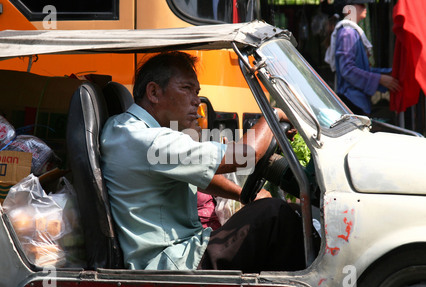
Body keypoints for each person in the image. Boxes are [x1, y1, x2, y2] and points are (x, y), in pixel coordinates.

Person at [100, 51, 307, 272]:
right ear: (153, 92)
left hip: (172, 255)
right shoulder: (151, 141)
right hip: (172, 264)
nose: (196, 101)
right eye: (186, 89)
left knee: (278, 212)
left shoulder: (123, 126)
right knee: (275, 215)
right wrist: (273, 115)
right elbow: (246, 154)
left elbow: (201, 178)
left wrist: (242, 194)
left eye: (197, 92)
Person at [325, 0, 401, 115]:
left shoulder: (352, 31)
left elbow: (361, 68)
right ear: (349, 10)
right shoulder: (347, 32)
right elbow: (348, 70)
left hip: (356, 100)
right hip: (351, 100)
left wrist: (386, 74)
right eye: (360, 4)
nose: (365, 7)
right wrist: (379, 79)